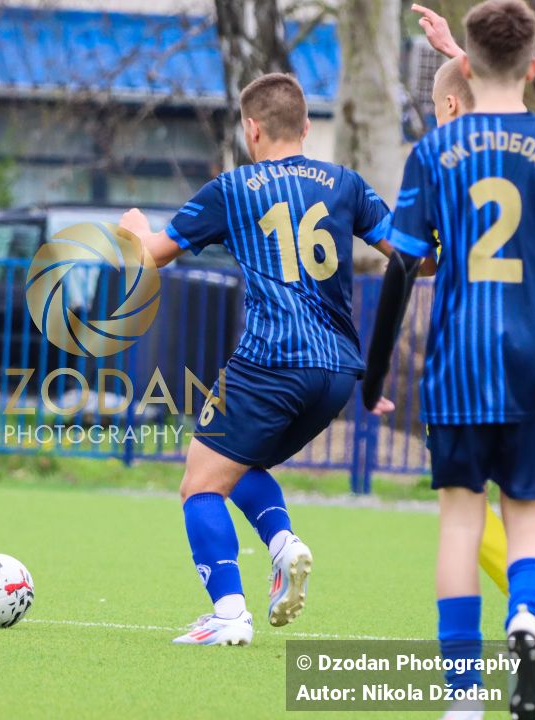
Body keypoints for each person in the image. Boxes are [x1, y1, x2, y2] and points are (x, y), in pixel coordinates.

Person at [363, 3, 535, 718]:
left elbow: (399, 268)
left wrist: (374, 370)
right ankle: (528, 621)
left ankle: (463, 698)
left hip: (459, 367)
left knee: (458, 523)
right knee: (529, 520)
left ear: (465, 70)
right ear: (533, 67)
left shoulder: (433, 154)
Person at [119, 72, 395, 646]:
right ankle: (283, 545)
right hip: (337, 372)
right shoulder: (346, 184)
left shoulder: (234, 187)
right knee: (240, 466)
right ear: (306, 126)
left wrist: (132, 232)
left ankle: (228, 613)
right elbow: (419, 257)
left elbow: (150, 259)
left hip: (270, 361)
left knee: (200, 484)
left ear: (251, 128)